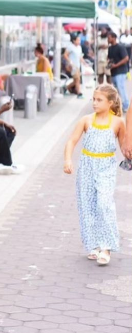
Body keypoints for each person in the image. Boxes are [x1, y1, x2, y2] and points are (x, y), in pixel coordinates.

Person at [64, 85, 127, 266]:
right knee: (87, 205)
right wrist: (68, 160)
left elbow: (124, 147)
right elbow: (72, 141)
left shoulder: (118, 122)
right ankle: (94, 245)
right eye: (93, 99)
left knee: (104, 204)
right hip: (86, 166)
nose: (94, 103)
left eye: (99, 100)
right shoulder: (86, 120)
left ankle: (106, 246)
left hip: (106, 167)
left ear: (110, 102)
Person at [107, 31, 129, 112]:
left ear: (114, 38)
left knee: (121, 88)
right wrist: (109, 64)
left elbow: (126, 58)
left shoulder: (120, 47)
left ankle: (126, 105)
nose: (108, 39)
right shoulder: (110, 48)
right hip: (114, 72)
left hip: (121, 71)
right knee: (116, 89)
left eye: (109, 38)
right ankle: (118, 105)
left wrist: (116, 65)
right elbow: (109, 58)